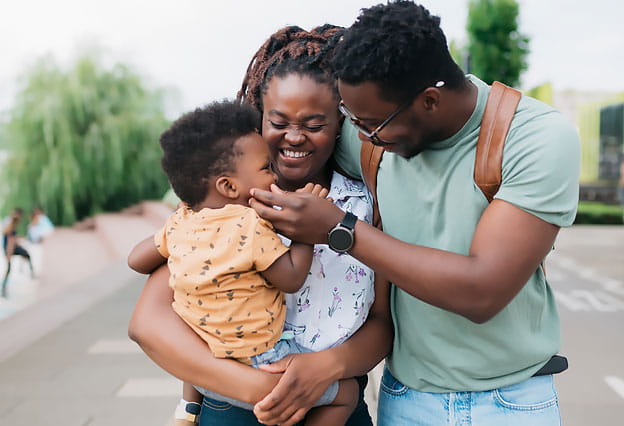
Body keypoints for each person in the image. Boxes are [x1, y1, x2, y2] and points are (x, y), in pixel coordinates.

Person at [248, 2, 581, 425]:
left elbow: (482, 292)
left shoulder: (534, 139)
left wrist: (340, 228)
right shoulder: (370, 131)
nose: (359, 135)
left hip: (509, 403)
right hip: (405, 399)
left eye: (369, 124)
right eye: (349, 119)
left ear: (429, 101)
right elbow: (270, 150)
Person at [129, 25, 392, 426]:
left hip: (332, 401)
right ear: (259, 116)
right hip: (236, 405)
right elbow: (148, 323)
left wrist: (324, 368)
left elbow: (381, 324)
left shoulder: (366, 203)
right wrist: (260, 389)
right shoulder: (221, 207)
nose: (294, 136)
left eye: (315, 124)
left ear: (341, 122)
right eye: (278, 120)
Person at [2, 208, 35, 298]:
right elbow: (10, 243)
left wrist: (19, 241)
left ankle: (3, 288)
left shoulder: (10, 227)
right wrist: (8, 256)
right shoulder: (11, 228)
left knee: (26, 255)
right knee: (9, 268)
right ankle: (3, 289)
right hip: (10, 250)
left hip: (10, 249)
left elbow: (12, 239)